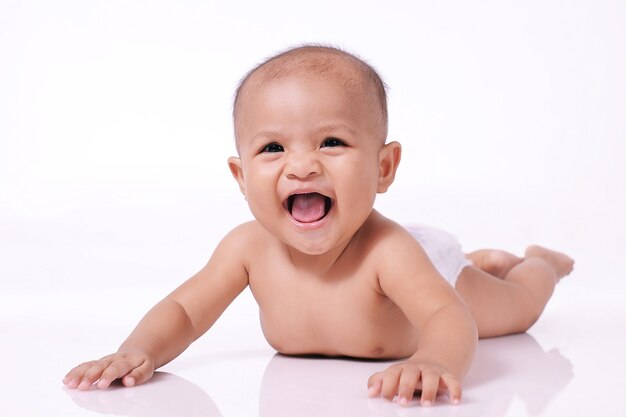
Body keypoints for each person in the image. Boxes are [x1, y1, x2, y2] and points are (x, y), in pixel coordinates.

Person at [63, 45, 574, 407]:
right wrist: (139, 349)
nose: (301, 166)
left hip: (440, 273)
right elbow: (184, 310)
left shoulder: (388, 252)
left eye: (331, 142)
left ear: (383, 168)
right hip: (419, 266)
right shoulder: (247, 249)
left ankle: (537, 263)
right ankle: (484, 257)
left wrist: (437, 360)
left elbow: (447, 315)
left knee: (516, 309)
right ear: (241, 177)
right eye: (272, 148)